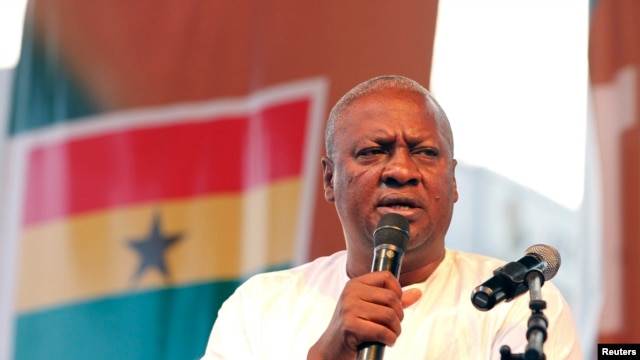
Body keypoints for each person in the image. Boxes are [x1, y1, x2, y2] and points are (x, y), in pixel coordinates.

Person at [201, 75, 582, 359]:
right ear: (330, 178)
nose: (401, 170)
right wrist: (327, 353)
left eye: (425, 153)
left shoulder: (518, 302)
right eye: (373, 151)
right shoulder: (259, 307)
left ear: (453, 181)